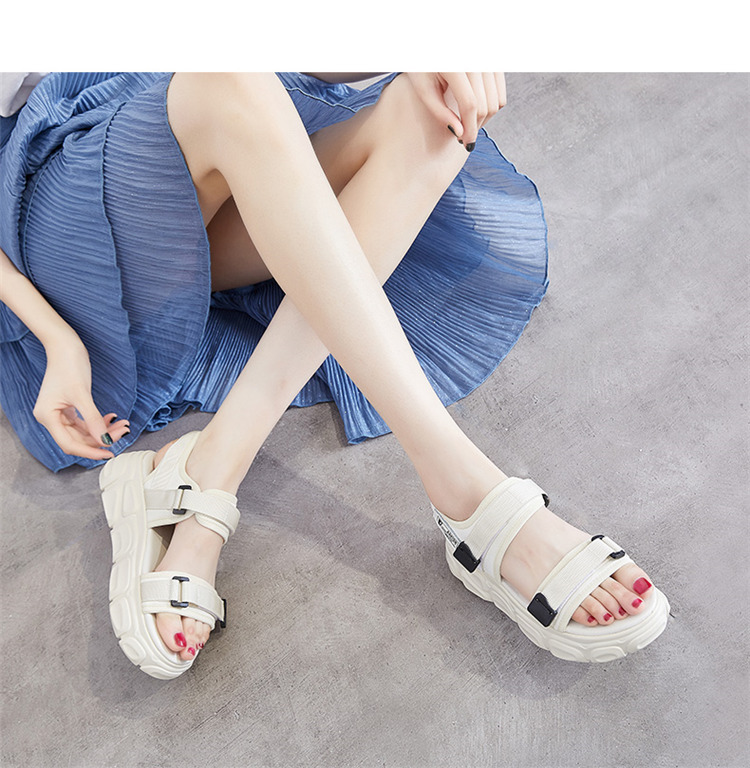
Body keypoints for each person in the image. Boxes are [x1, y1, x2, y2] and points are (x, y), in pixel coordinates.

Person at [0, 72, 669, 678]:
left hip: (187, 117)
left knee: (428, 107)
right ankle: (465, 486)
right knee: (229, 80)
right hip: (58, 201)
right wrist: (55, 337)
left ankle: (209, 469)